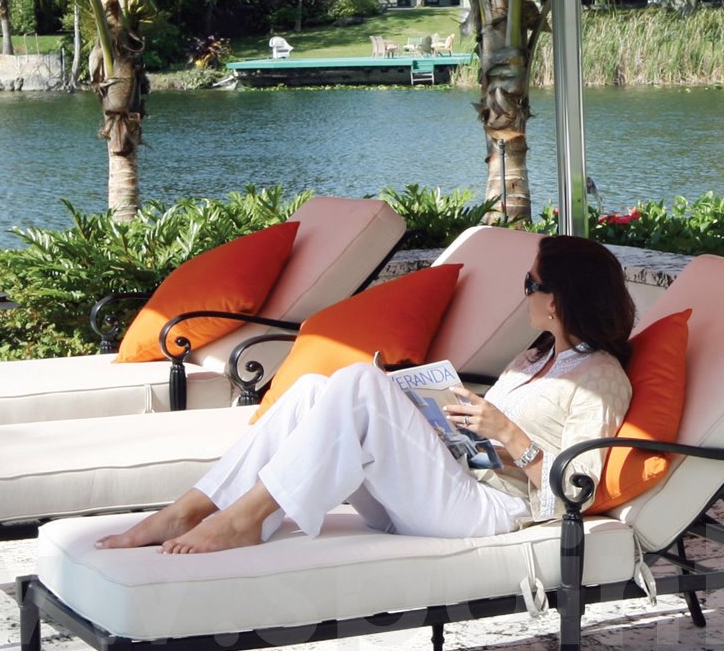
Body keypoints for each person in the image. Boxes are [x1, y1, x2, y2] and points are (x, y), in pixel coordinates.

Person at [98, 234, 636, 554]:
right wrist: (435, 414)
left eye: (530, 284)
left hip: (491, 509)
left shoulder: (601, 377)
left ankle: (243, 518)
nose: (524, 294)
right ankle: (195, 507)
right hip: (447, 485)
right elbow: (481, 442)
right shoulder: (534, 357)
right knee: (313, 389)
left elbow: (580, 490)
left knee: (359, 382)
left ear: (557, 300)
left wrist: (509, 434)